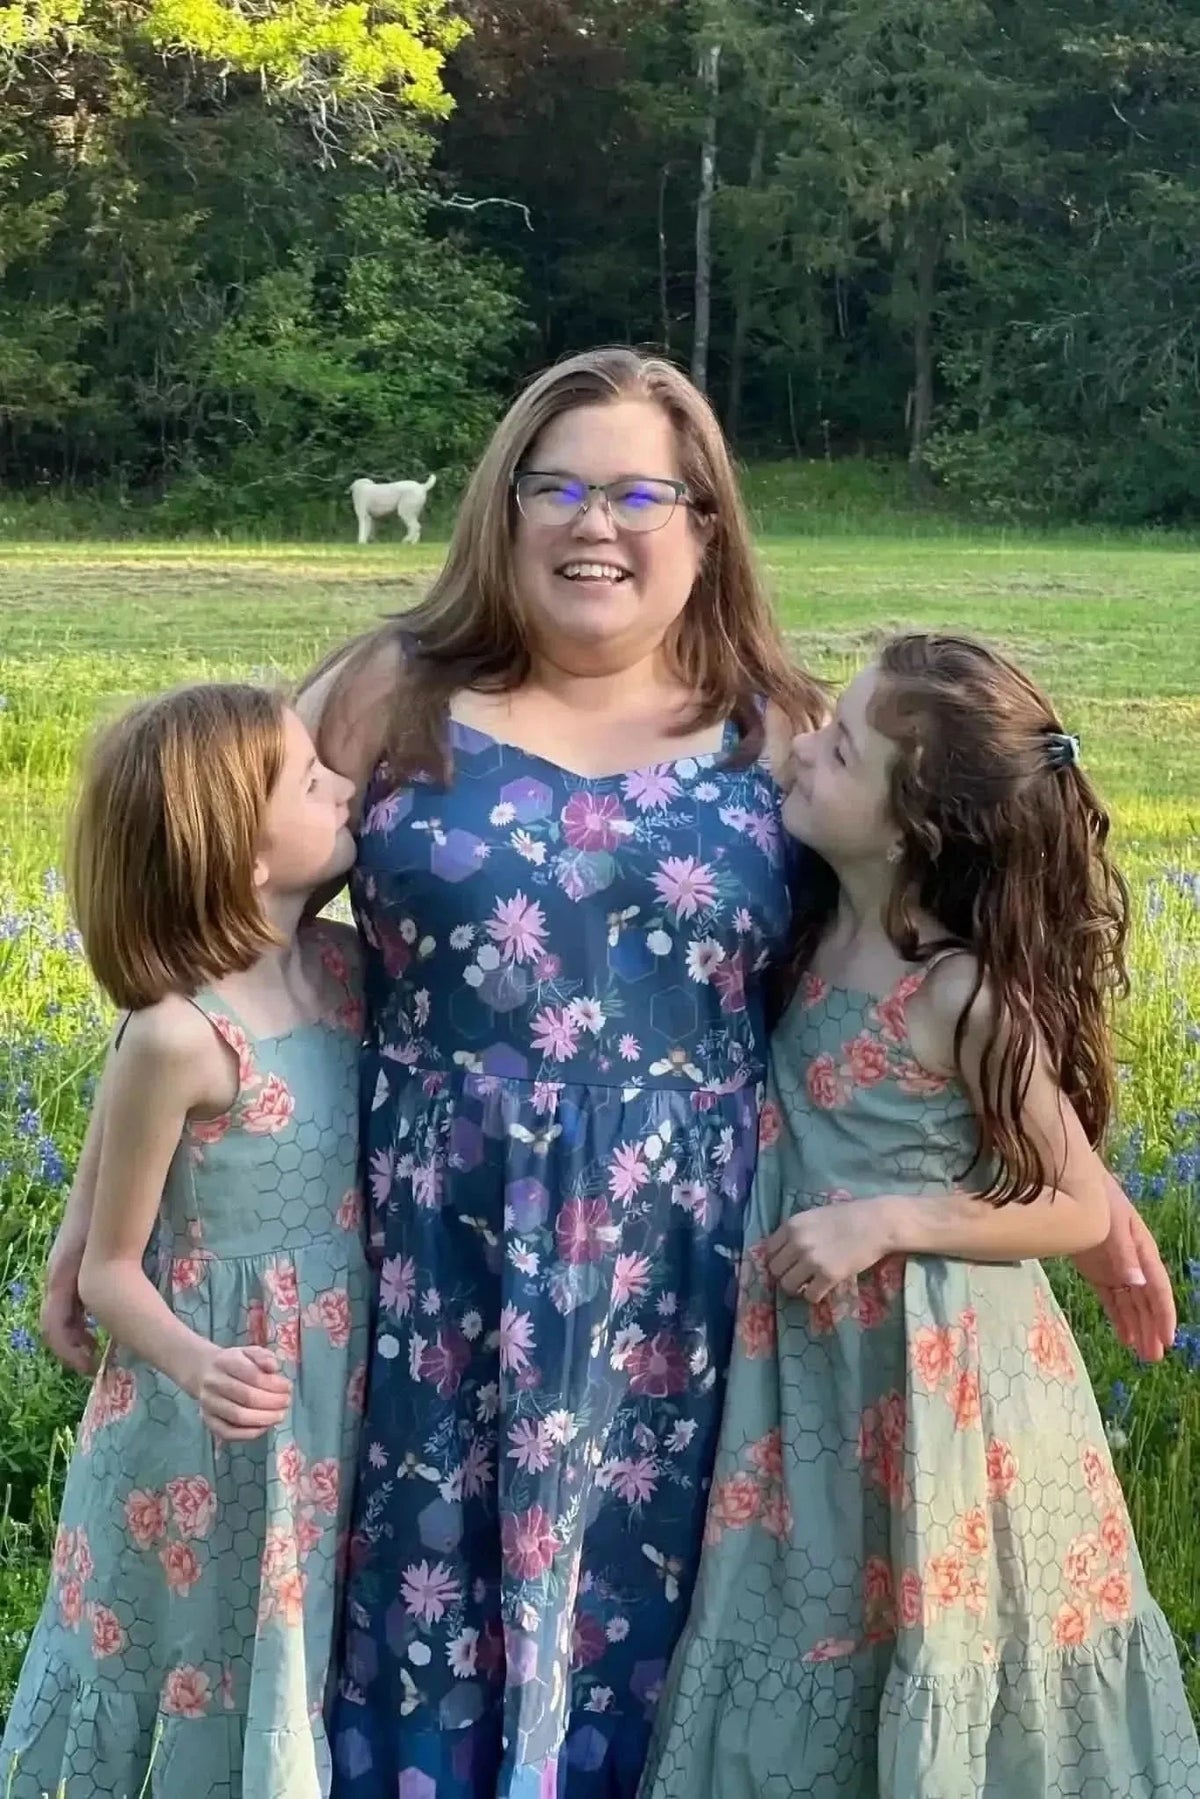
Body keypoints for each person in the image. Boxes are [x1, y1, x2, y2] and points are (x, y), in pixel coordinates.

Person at [37, 350, 1178, 1798]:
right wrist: (97, 1212)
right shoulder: (395, 690)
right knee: (426, 1620)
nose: (597, 523)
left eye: (642, 493)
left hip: (697, 1278)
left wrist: (1084, 1196)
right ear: (502, 506)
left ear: (705, 523)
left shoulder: (776, 724)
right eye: (558, 486)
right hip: (430, 1266)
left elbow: (915, 951)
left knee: (673, 1620)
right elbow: (212, 929)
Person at [640, 634, 1200, 1798]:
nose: (806, 748)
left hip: (939, 1378)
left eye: (842, 748)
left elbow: (1072, 1201)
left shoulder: (958, 990)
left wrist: (889, 1218)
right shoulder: (816, 922)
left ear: (910, 830)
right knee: (823, 1614)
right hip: (818, 1378)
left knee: (947, 1623)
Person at [3, 685, 370, 1799]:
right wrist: (198, 1363)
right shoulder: (180, 1036)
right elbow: (110, 1271)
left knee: (289, 1633)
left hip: (331, 1377)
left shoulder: (347, 966)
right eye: (312, 779)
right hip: (207, 1404)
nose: (346, 785)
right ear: (245, 856)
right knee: (191, 1637)